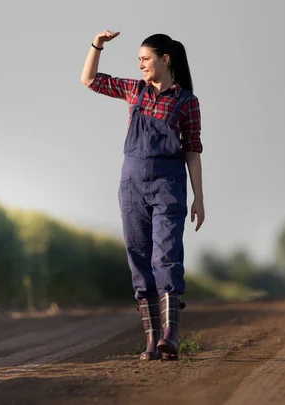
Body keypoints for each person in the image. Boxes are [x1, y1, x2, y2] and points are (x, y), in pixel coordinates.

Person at [80, 30, 205, 361]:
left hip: (168, 185)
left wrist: (199, 198)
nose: (140, 66)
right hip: (132, 185)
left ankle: (171, 335)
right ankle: (151, 340)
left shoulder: (186, 102)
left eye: (145, 59)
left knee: (166, 257)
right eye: (138, 60)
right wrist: (98, 45)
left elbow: (192, 151)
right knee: (138, 257)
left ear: (165, 60)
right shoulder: (134, 90)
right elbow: (89, 79)